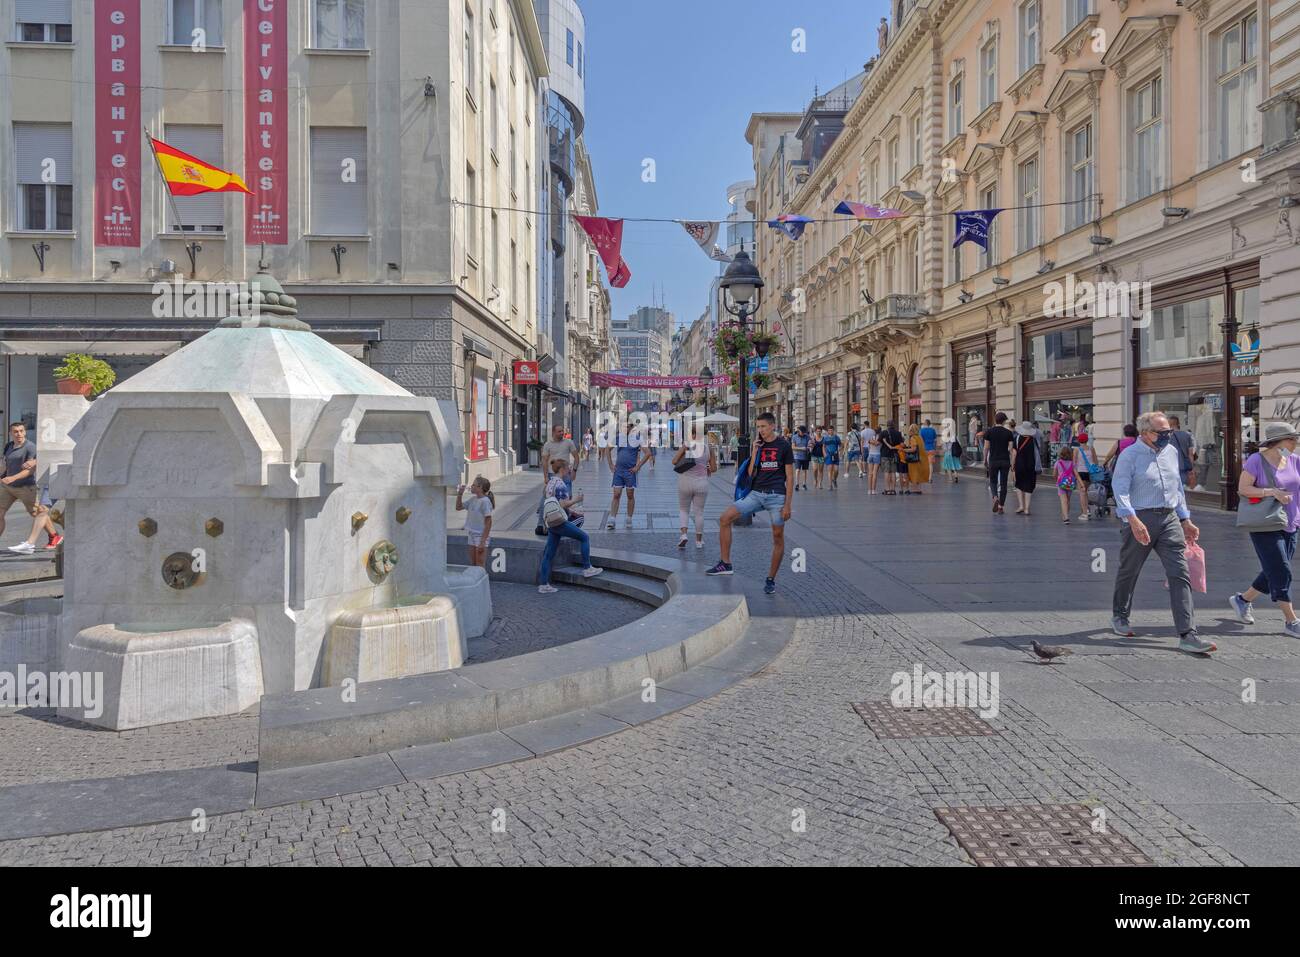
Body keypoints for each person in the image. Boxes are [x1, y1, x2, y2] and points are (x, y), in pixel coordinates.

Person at [1110, 411, 1216, 655]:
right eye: (1163, 432)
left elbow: (1176, 487)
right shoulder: (1130, 455)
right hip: (1140, 517)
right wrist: (1132, 519)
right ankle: (1120, 615)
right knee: (1130, 569)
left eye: (1169, 431)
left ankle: (1188, 634)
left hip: (1169, 519)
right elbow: (1120, 489)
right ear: (1145, 433)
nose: (1169, 435)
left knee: (1180, 572)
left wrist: (1185, 518)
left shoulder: (1170, 451)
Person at [707, 412, 793, 596]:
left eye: (763, 426)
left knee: (777, 536)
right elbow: (752, 472)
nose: (760, 430)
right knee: (725, 518)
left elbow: (790, 476)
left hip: (776, 496)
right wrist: (754, 452)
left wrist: (788, 504)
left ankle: (770, 579)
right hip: (756, 494)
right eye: (758, 427)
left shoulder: (784, 446)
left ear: (772, 426)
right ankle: (725, 563)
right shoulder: (759, 446)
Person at [1229, 423, 1300, 637]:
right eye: (1291, 439)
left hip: (1291, 522)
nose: (1295, 443)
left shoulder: (1295, 460)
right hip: (1265, 523)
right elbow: (1243, 489)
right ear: (1278, 441)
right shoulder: (1256, 461)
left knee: (1274, 568)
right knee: (1281, 570)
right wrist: (1272, 492)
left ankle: (1242, 600)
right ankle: (1291, 620)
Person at [538, 460, 603, 593]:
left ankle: (543, 584)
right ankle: (587, 568)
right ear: (562, 469)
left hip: (551, 521)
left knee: (548, 554)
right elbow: (562, 504)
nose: (569, 470)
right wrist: (577, 500)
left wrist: (572, 511)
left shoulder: (550, 483)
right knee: (584, 537)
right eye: (568, 468)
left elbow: (552, 502)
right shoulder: (560, 484)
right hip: (560, 521)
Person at [673, 425, 716, 550]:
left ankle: (684, 535)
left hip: (685, 482)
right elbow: (713, 469)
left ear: (692, 434)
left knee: (683, 510)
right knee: (699, 512)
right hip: (702, 483)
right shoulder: (709, 449)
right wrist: (705, 467)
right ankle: (699, 541)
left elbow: (674, 461)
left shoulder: (687, 445)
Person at [0, 423, 43, 543]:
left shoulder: (30, 447)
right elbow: (4, 465)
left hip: (25, 487)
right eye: (15, 431)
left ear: (25, 432)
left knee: (37, 513)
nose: (19, 434)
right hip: (7, 487)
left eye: (21, 431)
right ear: (11, 433)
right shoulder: (8, 446)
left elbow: (30, 471)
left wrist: (13, 478)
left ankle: (53, 535)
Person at [607, 421, 650, 529]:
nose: (625, 428)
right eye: (623, 426)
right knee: (616, 494)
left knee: (630, 495)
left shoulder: (637, 438)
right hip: (618, 471)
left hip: (630, 472)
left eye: (628, 426)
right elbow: (607, 449)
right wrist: (611, 465)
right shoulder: (618, 437)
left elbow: (648, 453)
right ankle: (612, 519)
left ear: (632, 428)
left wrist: (638, 466)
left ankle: (629, 518)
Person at [454, 476, 495, 568]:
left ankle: (483, 582)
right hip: (471, 534)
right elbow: (458, 507)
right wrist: (460, 494)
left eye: (473, 485)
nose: (471, 486)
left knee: (480, 565)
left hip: (480, 536)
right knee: (473, 564)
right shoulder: (473, 499)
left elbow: (488, 522)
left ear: (480, 487)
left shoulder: (485, 501)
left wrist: (482, 542)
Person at [983, 412, 1015, 513]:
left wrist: (984, 460)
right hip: (1005, 460)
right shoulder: (1009, 433)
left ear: (995, 420)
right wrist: (1012, 463)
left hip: (993, 460)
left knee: (993, 481)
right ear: (1004, 421)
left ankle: (995, 497)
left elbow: (986, 448)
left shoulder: (989, 432)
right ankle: (1001, 506)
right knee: (1004, 483)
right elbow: (1011, 449)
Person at [1011, 420, 1038, 515]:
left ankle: (1021, 506)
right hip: (1031, 465)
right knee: (1029, 486)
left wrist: (1012, 465)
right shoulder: (1033, 440)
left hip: (1019, 465)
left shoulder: (1017, 438)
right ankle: (1026, 508)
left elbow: (1014, 453)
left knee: (1018, 484)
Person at [1073, 429, 1100, 522]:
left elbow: (1074, 463)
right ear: (1087, 440)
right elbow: (1096, 462)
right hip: (1090, 473)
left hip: (1080, 472)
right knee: (1086, 492)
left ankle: (1084, 513)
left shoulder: (1076, 450)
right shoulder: (1091, 448)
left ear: (1079, 440)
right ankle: (1087, 510)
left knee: (1082, 493)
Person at [1169, 415, 1197, 490]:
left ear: (1169, 424)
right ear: (1178, 424)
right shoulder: (1187, 435)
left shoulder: (1168, 437)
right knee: (1184, 489)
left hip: (1171, 467)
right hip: (1184, 467)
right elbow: (1190, 454)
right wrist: (1192, 468)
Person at [1053, 446, 1078, 523]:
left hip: (1061, 483)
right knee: (1068, 500)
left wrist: (1056, 479)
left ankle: (1066, 517)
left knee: (1064, 500)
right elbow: (1075, 473)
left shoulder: (1058, 462)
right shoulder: (1072, 463)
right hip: (1070, 483)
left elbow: (1054, 474)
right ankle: (1066, 515)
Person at [880, 420, 904, 495]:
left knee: (886, 472)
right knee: (893, 472)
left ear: (887, 425)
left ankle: (887, 489)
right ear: (894, 425)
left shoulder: (883, 433)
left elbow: (878, 442)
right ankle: (893, 489)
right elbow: (902, 444)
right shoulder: (898, 433)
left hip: (885, 455)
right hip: (894, 455)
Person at [905, 423, 929, 492]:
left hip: (914, 458)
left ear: (912, 431)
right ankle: (919, 489)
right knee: (918, 473)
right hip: (921, 458)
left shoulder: (913, 438)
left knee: (913, 473)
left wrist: (905, 450)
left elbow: (914, 449)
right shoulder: (920, 437)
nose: (909, 432)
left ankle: (915, 489)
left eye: (909, 430)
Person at [862, 421, 882, 493]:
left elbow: (870, 445)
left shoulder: (871, 438)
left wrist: (871, 442)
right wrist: (874, 442)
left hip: (870, 454)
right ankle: (873, 490)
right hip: (877, 454)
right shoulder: (881, 438)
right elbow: (877, 444)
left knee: (870, 473)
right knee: (874, 473)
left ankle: (869, 490)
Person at [791, 425, 811, 491]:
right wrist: (801, 448)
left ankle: (804, 484)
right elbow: (793, 447)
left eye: (803, 432)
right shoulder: (794, 437)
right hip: (797, 456)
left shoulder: (807, 437)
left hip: (805, 456)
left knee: (805, 470)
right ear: (799, 431)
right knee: (798, 470)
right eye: (801, 432)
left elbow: (810, 444)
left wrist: (810, 446)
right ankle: (797, 484)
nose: (802, 433)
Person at [823, 425, 842, 490]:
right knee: (830, 470)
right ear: (827, 431)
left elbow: (841, 445)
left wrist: (838, 451)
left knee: (836, 470)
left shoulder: (836, 437)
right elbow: (823, 446)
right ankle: (830, 485)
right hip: (828, 455)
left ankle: (834, 479)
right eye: (829, 430)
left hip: (835, 455)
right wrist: (825, 453)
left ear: (833, 430)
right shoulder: (825, 438)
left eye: (831, 430)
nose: (830, 431)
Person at [920, 419, 939, 484]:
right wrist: (935, 448)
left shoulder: (921, 431)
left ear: (925, 424)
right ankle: (930, 478)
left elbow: (921, 441)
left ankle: (924, 477)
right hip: (931, 449)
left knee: (924, 464)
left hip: (924, 449)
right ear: (929, 424)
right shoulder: (933, 430)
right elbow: (935, 440)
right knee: (930, 464)